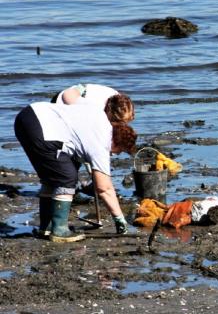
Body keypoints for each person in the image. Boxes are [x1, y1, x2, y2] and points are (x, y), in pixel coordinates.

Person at [14, 101, 137, 242]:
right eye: (118, 151)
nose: (114, 155)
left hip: (28, 116)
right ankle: (59, 230)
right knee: (67, 177)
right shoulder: (102, 143)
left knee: (53, 177)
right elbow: (104, 188)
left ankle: (46, 228)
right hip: (42, 128)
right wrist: (120, 220)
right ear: (116, 143)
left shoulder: (100, 118)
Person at [52, 84, 135, 123]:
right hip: (61, 104)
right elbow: (68, 94)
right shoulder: (96, 105)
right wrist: (83, 107)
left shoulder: (117, 97)